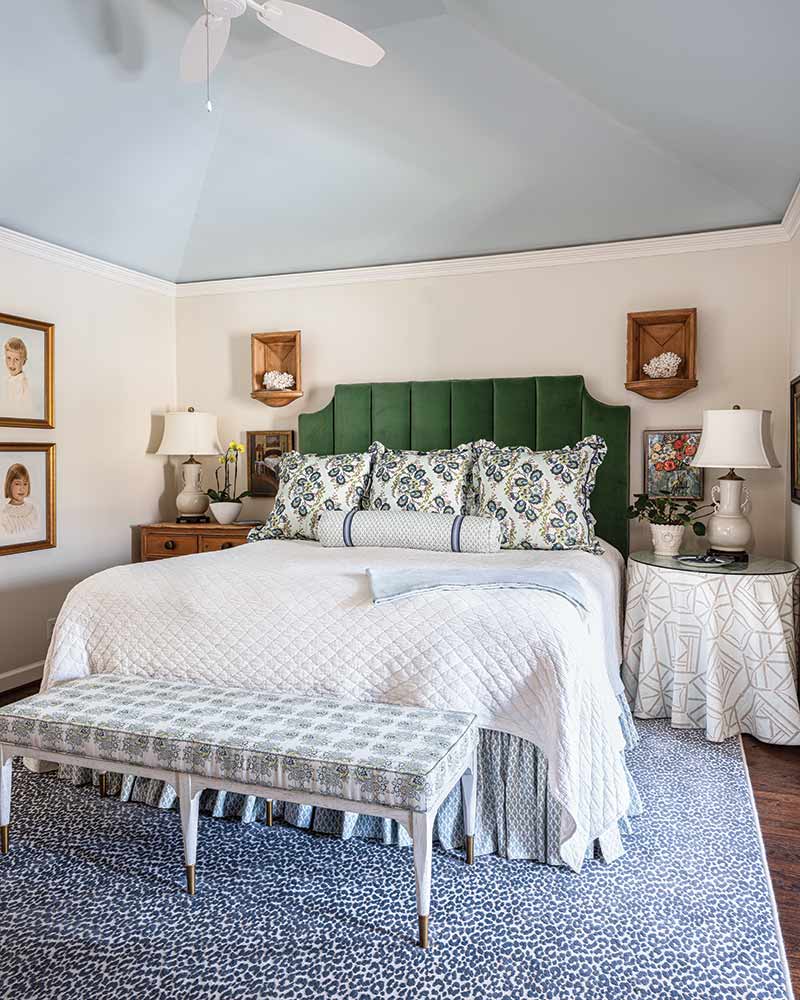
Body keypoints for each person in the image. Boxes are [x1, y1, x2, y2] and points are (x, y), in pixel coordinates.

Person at [0, 463, 40, 539]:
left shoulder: (32, 509)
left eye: (25, 484)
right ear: (9, 485)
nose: (22, 488)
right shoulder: (4, 514)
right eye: (17, 484)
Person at [2, 337, 34, 417]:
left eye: (16, 359)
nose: (12, 363)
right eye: (8, 358)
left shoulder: (22, 384)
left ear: (24, 361)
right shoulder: (6, 379)